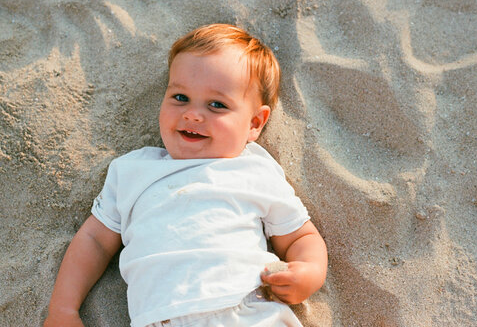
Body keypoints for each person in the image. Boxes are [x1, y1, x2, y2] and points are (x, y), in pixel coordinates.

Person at [44, 24, 327, 327]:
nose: (192, 114)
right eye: (180, 97)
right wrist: (63, 309)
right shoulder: (132, 171)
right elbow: (94, 241)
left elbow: (300, 235)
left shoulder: (255, 169)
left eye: (217, 105)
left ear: (255, 123)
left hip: (247, 312)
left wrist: (308, 273)